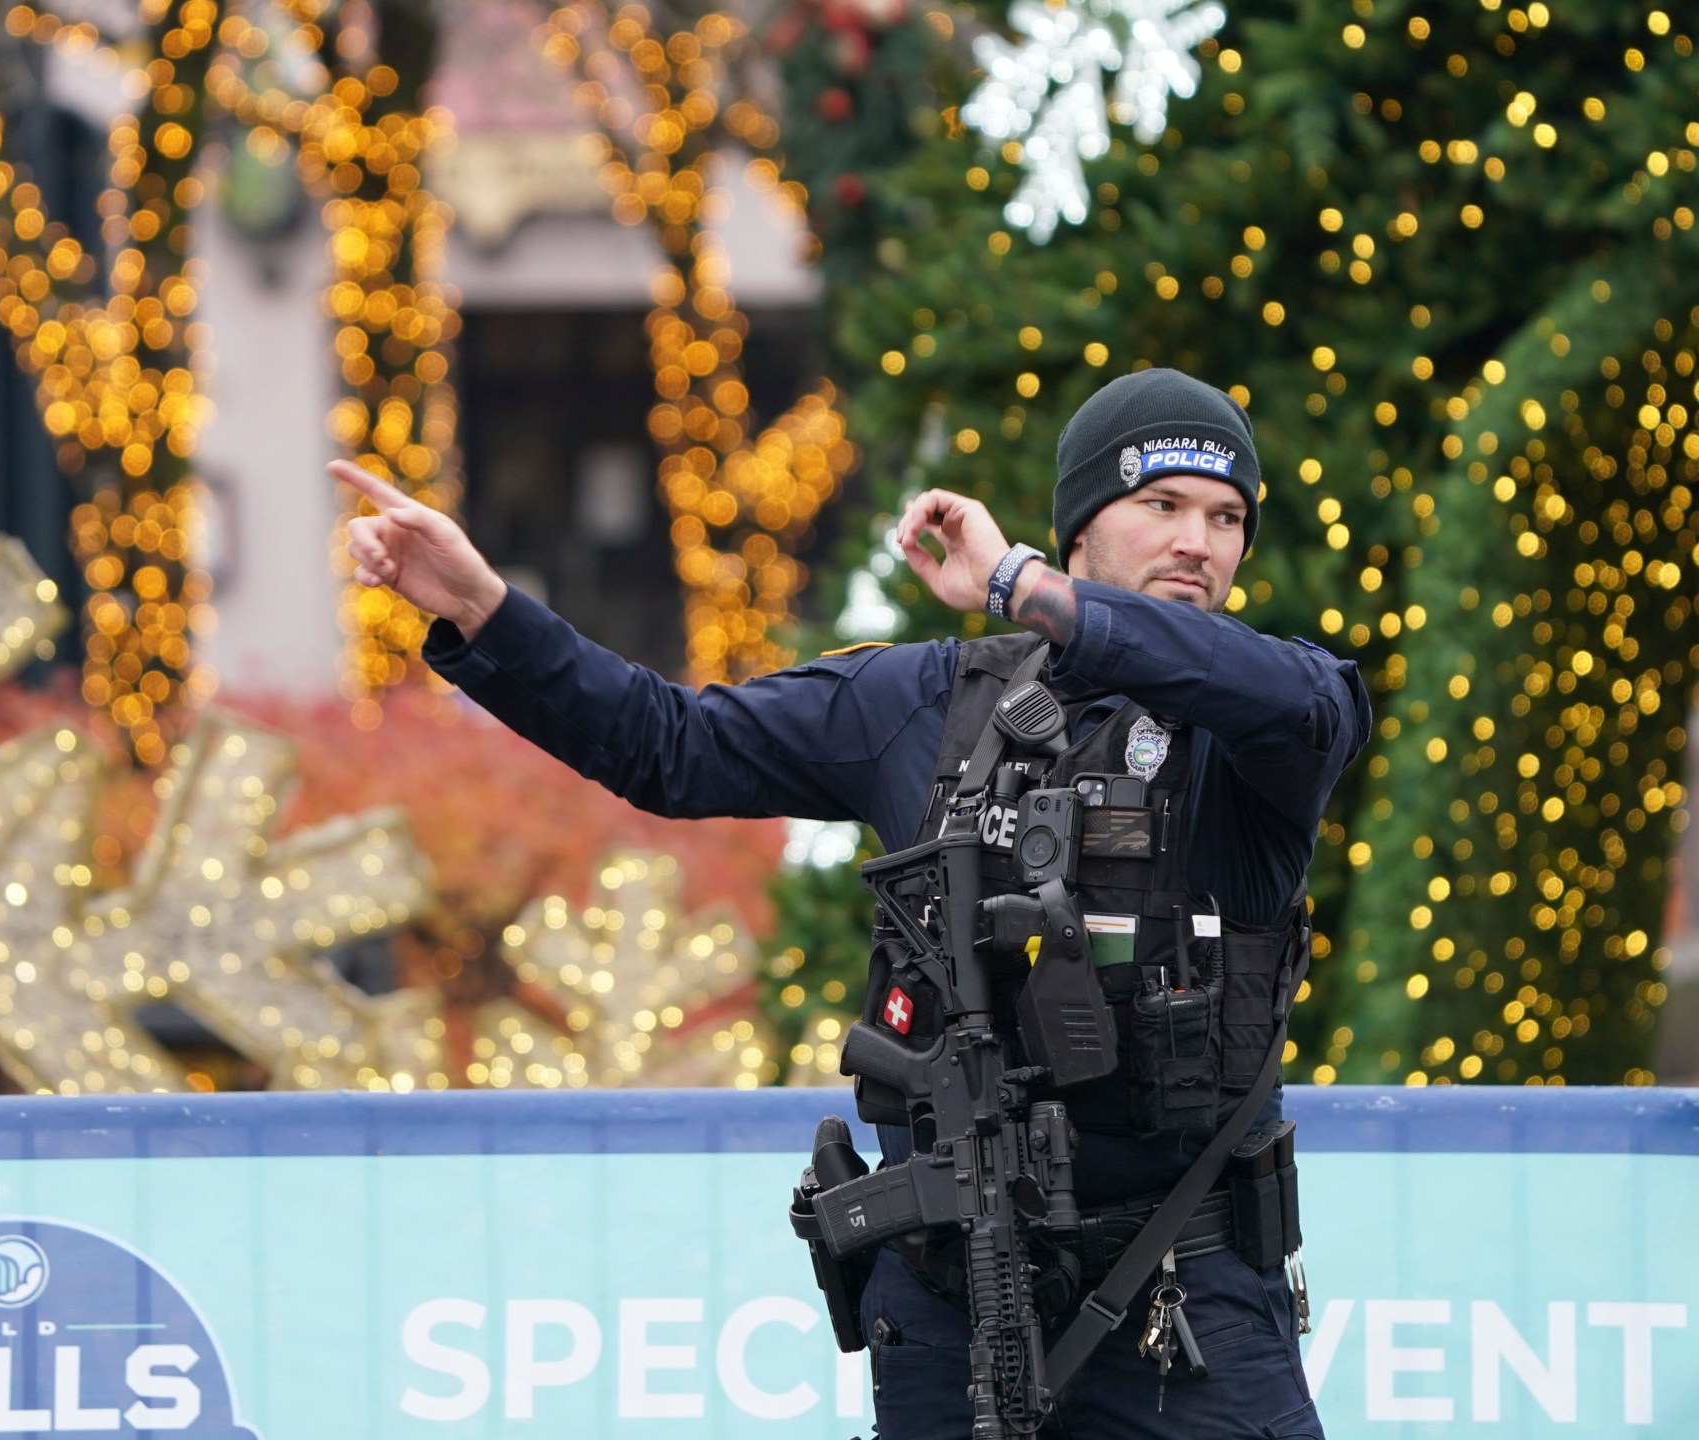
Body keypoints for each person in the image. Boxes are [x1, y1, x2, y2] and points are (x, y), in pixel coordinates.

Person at [331, 368, 1368, 1439]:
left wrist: (1020, 584)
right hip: (956, 1299)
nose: (1197, 540)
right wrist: (481, 613)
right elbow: (670, 749)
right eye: (1160, 505)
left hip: (1184, 1312)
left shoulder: (1279, 720)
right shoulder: (928, 701)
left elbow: (1261, 686)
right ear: (1079, 525)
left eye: (1226, 516)